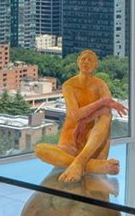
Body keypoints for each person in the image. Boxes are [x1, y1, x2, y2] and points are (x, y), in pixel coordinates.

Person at [34, 50, 127, 183]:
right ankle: (92, 166)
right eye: (83, 59)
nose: (86, 62)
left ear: (96, 64)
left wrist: (86, 120)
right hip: (70, 143)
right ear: (78, 61)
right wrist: (102, 102)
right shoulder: (69, 86)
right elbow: (75, 114)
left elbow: (107, 110)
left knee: (106, 116)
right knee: (39, 150)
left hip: (94, 145)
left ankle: (80, 162)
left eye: (90, 60)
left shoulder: (100, 85)